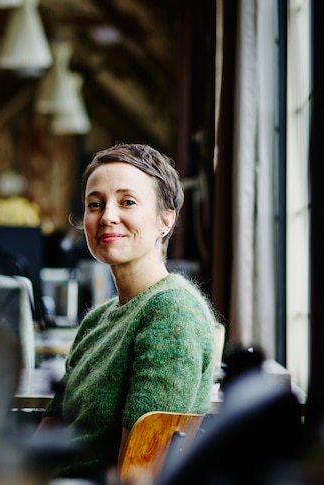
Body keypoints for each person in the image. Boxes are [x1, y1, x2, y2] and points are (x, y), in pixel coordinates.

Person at [35, 143, 221, 482]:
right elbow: (52, 428)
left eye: (128, 202)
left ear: (166, 220)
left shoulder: (171, 311)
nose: (107, 216)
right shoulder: (97, 320)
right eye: (95, 204)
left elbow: (139, 470)